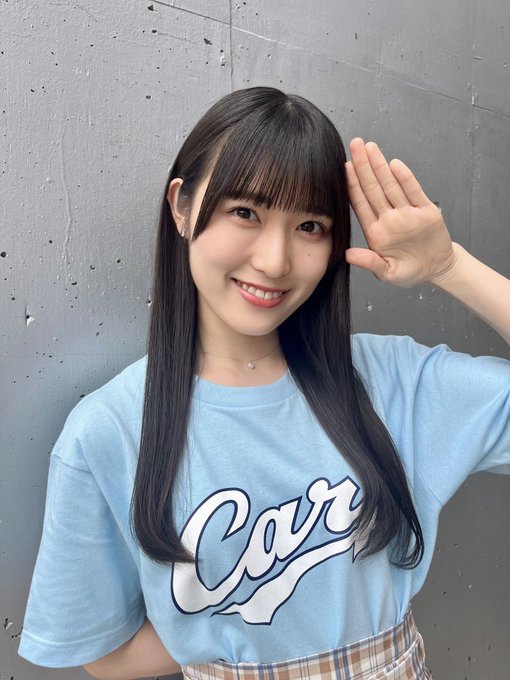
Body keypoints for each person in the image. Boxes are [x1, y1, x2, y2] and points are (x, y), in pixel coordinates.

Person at [18, 87, 510, 680]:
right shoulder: (109, 431)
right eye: (245, 213)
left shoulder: (395, 383)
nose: (275, 261)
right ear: (181, 207)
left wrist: (449, 266)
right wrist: (235, 640)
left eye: (310, 226)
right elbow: (101, 654)